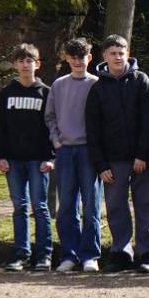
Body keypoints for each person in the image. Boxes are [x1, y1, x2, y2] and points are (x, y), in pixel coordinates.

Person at [86, 35, 149, 272]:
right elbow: (93, 129)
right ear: (104, 56)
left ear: (128, 53)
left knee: (146, 204)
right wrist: (100, 164)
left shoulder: (141, 81)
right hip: (112, 161)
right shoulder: (97, 89)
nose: (118, 57)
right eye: (113, 53)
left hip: (141, 159)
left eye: (122, 52)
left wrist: (144, 155)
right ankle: (121, 252)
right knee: (116, 206)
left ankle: (148, 253)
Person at [0, 45, 55, 272]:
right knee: (19, 206)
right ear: (15, 64)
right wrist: (1, 156)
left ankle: (44, 256)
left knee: (40, 207)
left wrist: (50, 157)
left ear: (37, 64)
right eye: (20, 60)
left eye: (29, 60)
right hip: (13, 161)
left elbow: (51, 126)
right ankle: (21, 254)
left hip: (39, 160)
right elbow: (1, 128)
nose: (24, 65)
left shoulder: (46, 93)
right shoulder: (6, 93)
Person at [48, 39, 102, 273]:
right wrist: (56, 140)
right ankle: (69, 254)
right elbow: (50, 116)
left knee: (91, 205)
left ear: (90, 57)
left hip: (90, 151)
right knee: (66, 205)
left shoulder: (98, 84)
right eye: (73, 57)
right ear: (67, 58)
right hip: (66, 151)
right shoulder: (58, 85)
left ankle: (90, 254)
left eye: (83, 57)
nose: (78, 61)